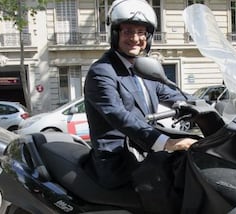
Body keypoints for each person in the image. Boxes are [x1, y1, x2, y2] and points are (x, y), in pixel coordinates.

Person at [84, 0, 196, 212]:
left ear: (149, 36)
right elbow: (118, 115)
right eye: (128, 31)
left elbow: (174, 95)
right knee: (171, 195)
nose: (135, 38)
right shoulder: (102, 72)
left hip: (141, 152)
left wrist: (214, 106)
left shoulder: (144, 69)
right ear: (115, 34)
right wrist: (165, 142)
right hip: (119, 159)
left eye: (141, 32)